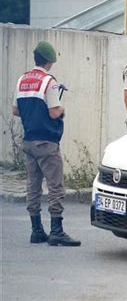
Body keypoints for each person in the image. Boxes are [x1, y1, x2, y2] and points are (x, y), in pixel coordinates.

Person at [12, 41, 81, 247]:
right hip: (47, 143)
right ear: (50, 62)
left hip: (29, 141)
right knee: (55, 187)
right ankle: (57, 231)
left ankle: (36, 231)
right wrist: (62, 110)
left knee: (33, 187)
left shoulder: (22, 80)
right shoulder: (49, 82)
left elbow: (16, 111)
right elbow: (53, 112)